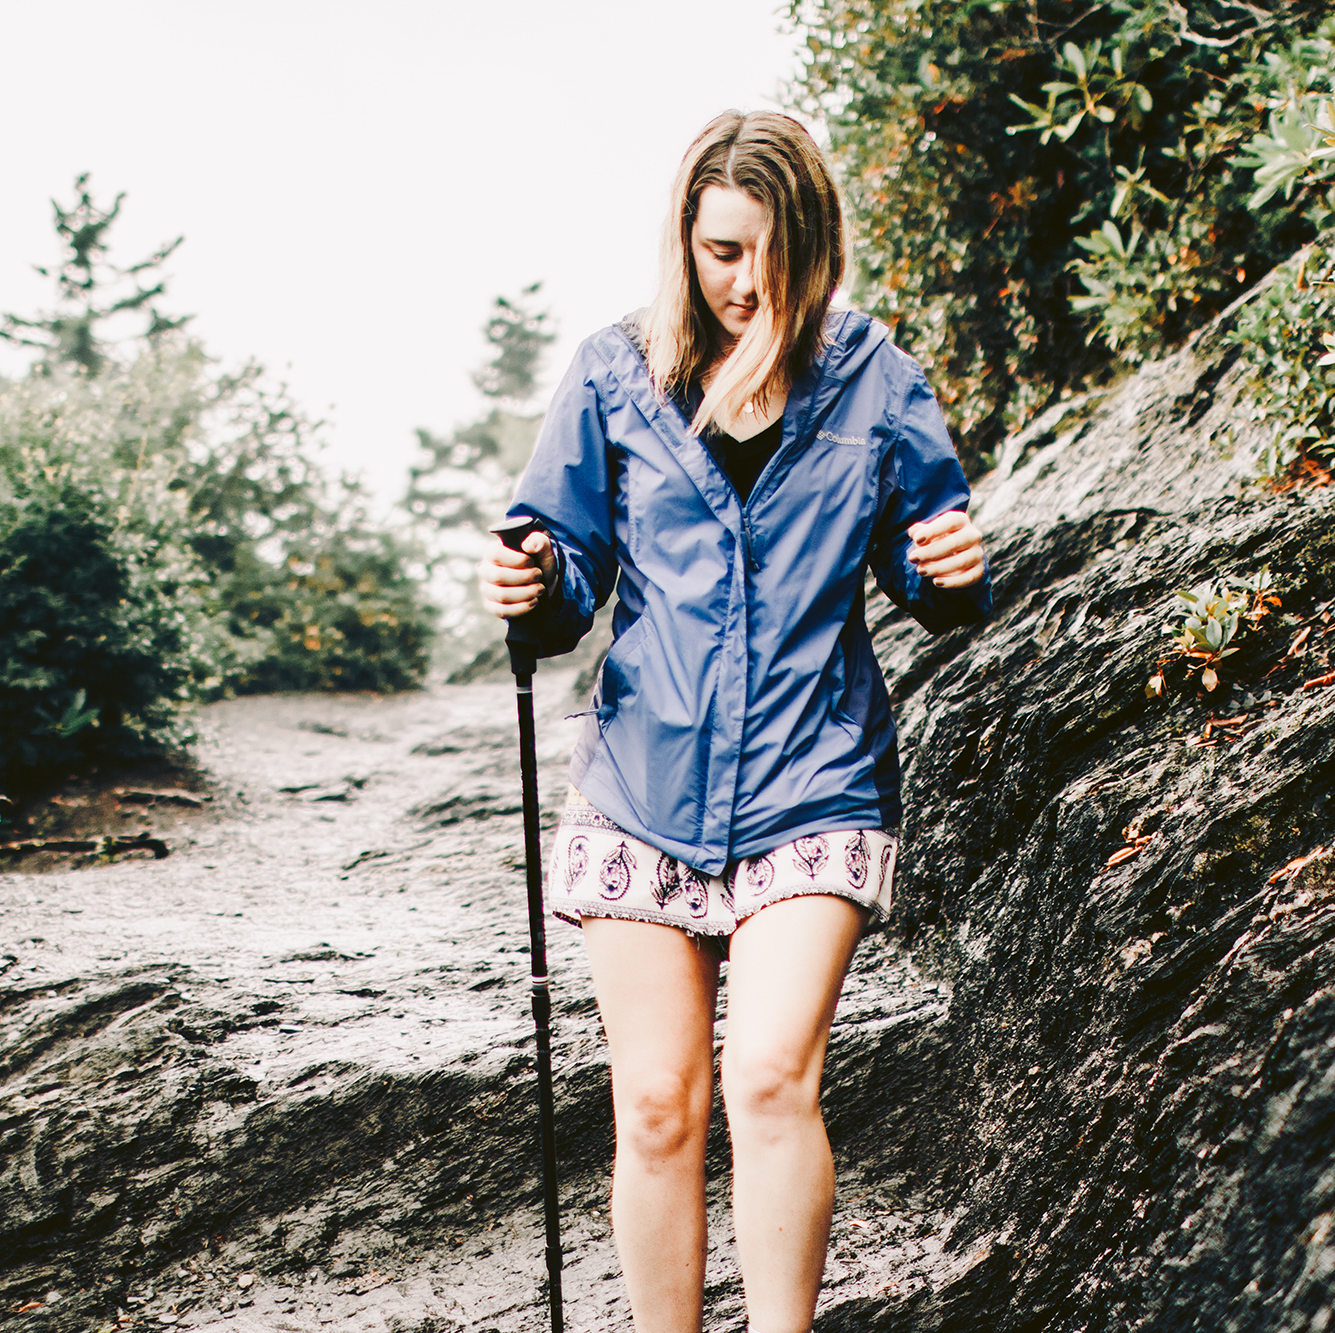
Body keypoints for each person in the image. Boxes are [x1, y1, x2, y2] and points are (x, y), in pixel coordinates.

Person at [478, 110, 990, 1333]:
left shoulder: (875, 380)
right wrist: (530, 585)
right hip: (640, 786)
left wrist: (952, 568)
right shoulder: (612, 374)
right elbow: (564, 581)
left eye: (768, 252)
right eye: (718, 252)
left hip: (814, 781)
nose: (745, 283)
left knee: (767, 1075)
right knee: (656, 1103)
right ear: (682, 242)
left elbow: (931, 575)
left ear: (812, 245)